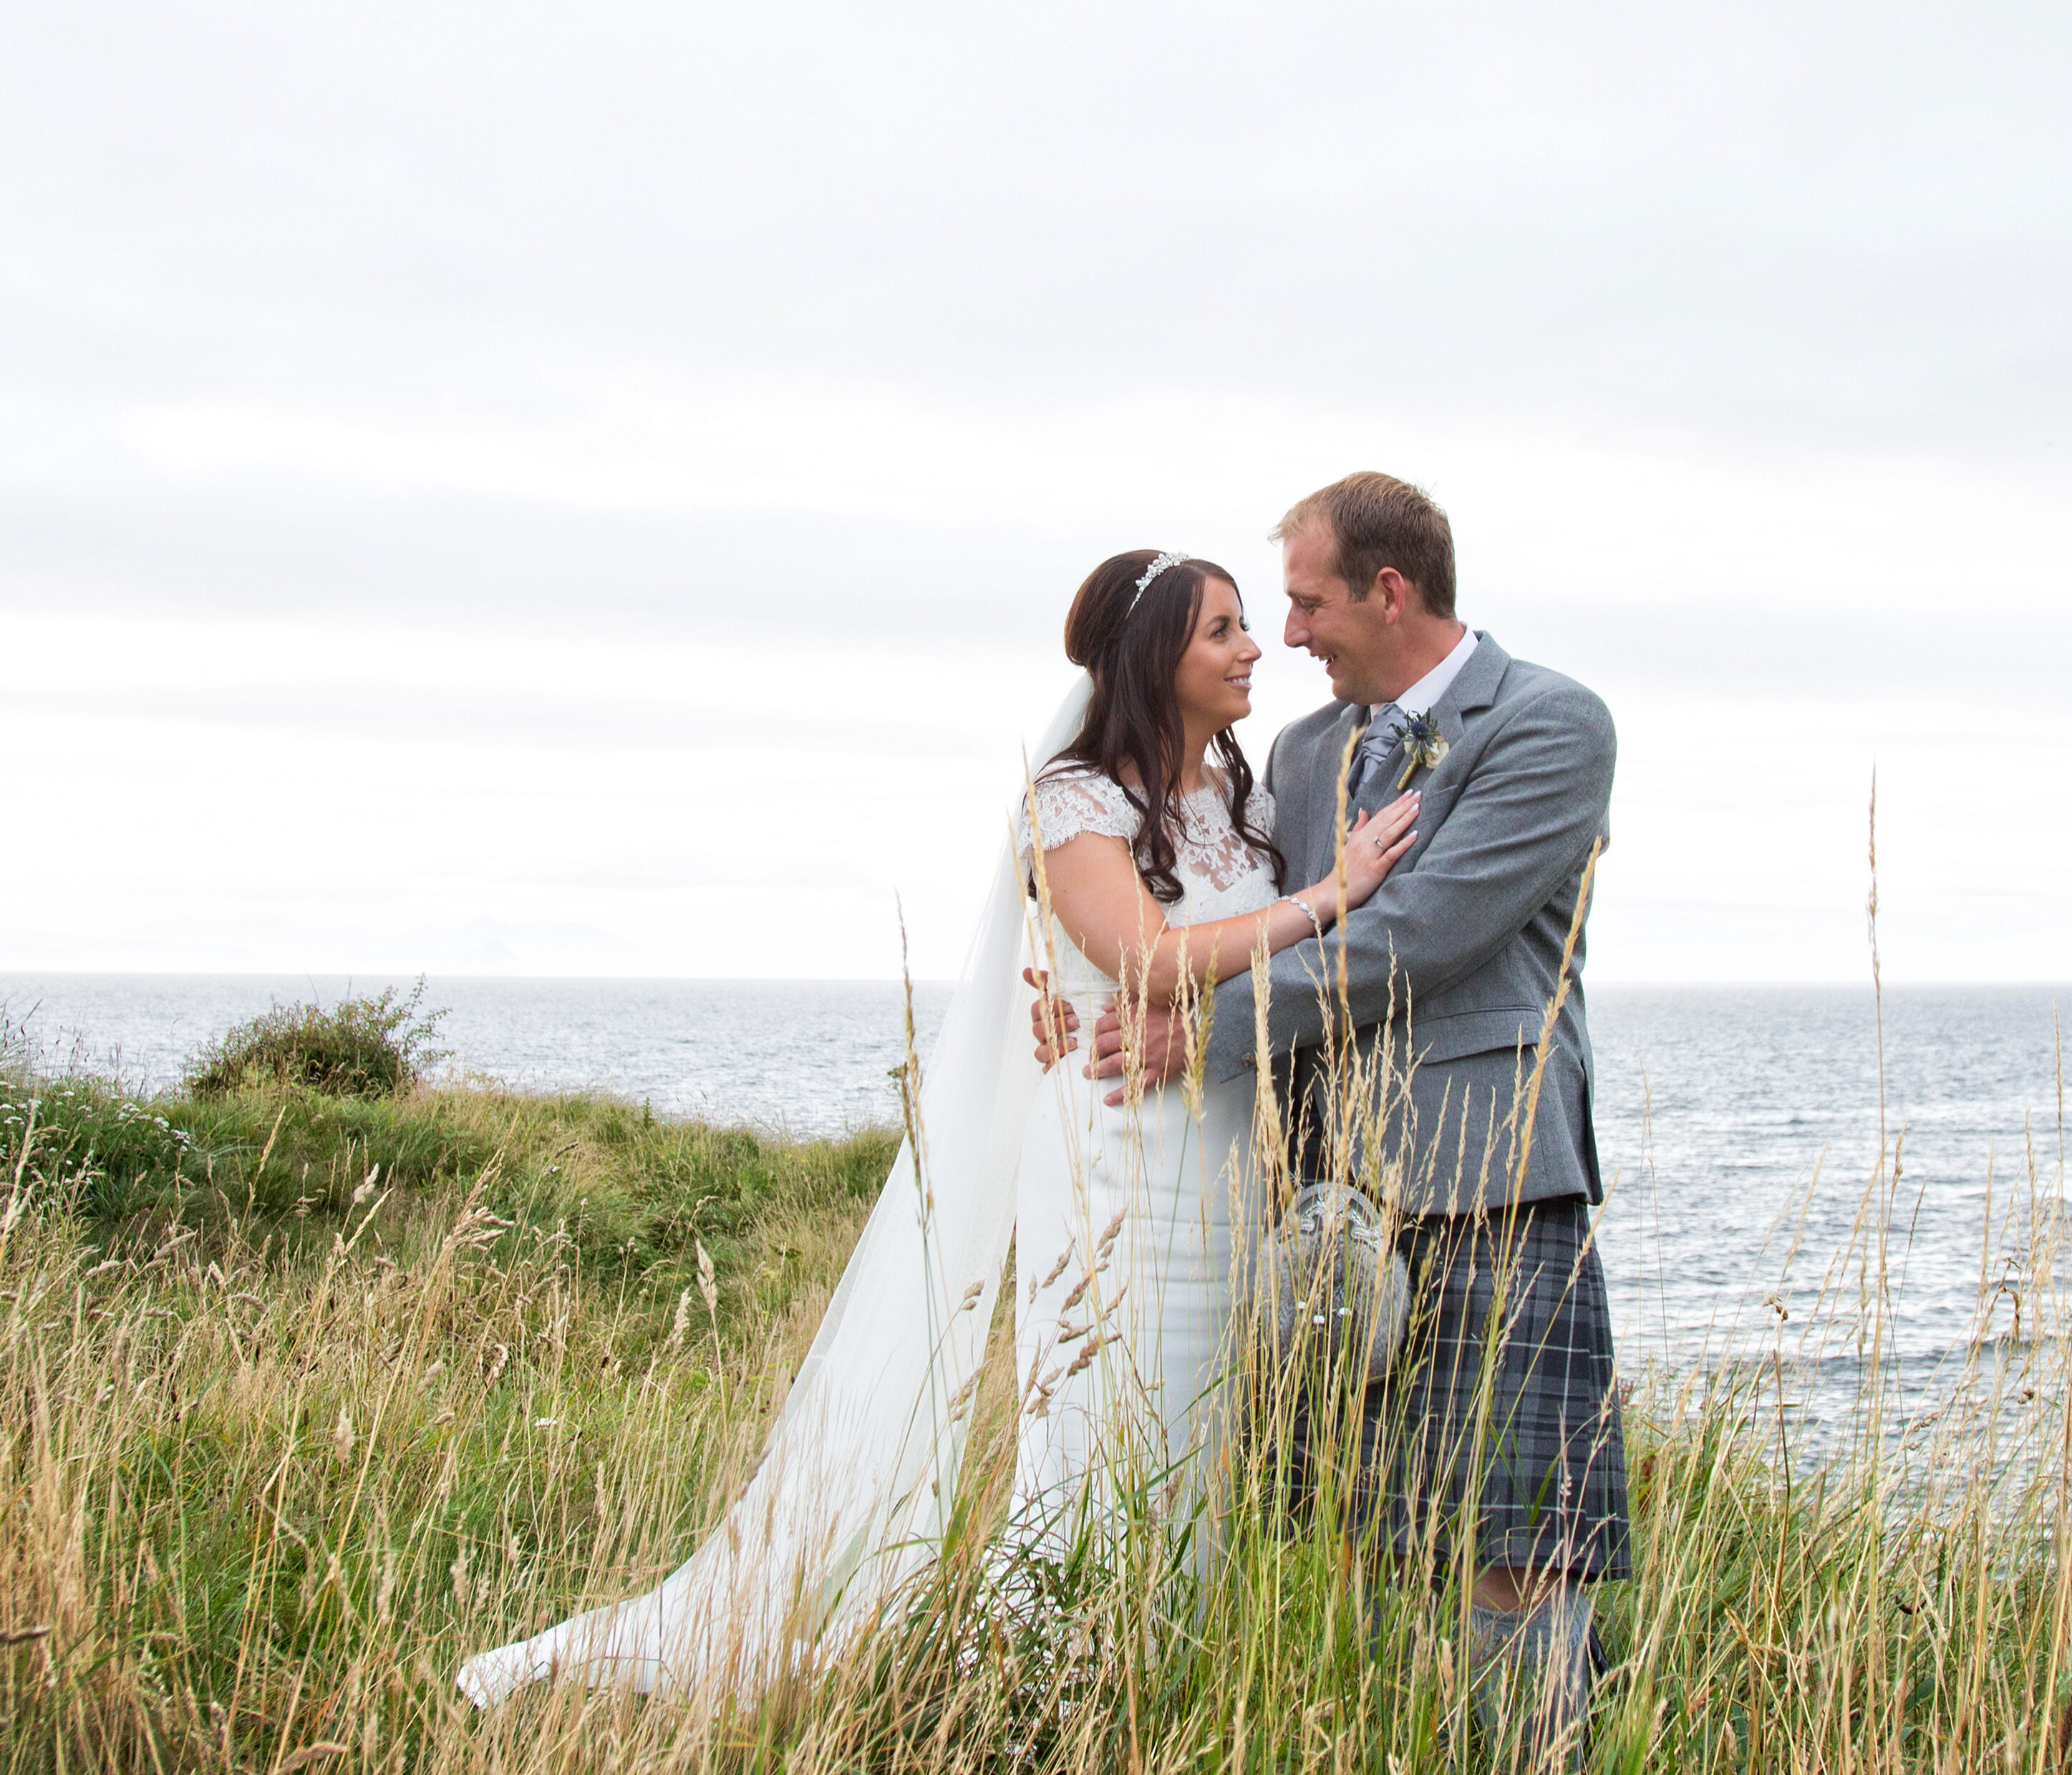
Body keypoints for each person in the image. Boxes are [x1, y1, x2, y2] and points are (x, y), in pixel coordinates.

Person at [453, 548, 1417, 1708]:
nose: (1253, 646)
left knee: (1197, 1444)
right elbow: (1146, 958)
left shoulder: (1244, 799)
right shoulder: (1074, 799)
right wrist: (1333, 892)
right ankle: (1037, 1682)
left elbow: (1238, 975)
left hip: (1223, 1149)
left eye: (1250, 623)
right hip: (1116, 1145)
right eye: (1222, 629)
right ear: (1157, 656)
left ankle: (1159, 1680)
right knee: (1101, 1428)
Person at [1038, 470, 1626, 1770]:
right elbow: (1189, 907)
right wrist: (1073, 989)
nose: (1288, 635)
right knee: (1367, 1535)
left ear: (1390, 590)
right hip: (1321, 1199)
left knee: (1521, 1540)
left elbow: (1421, 933)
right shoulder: (1302, 757)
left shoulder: (1547, 722)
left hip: (1493, 1180)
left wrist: (1205, 1033)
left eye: (1303, 603)